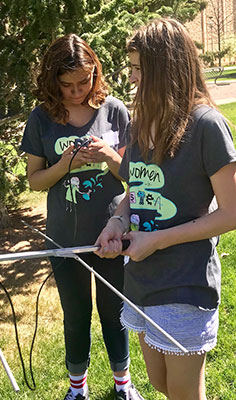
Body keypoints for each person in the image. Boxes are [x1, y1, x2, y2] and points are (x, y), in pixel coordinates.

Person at [94, 18, 236, 400]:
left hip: (185, 283)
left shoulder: (207, 125)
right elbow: (133, 192)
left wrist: (158, 240)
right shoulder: (140, 124)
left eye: (139, 68)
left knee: (184, 394)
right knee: (160, 383)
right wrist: (116, 221)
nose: (132, 78)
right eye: (131, 68)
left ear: (166, 67)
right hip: (142, 281)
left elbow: (231, 212)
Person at [20, 34, 144, 400]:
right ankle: (78, 389)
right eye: (67, 84)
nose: (76, 91)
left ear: (95, 73)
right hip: (64, 238)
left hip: (112, 233)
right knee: (76, 316)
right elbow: (35, 180)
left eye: (84, 81)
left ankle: (123, 385)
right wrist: (64, 165)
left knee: (113, 311)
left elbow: (133, 176)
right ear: (52, 80)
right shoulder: (41, 117)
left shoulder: (115, 110)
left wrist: (108, 155)